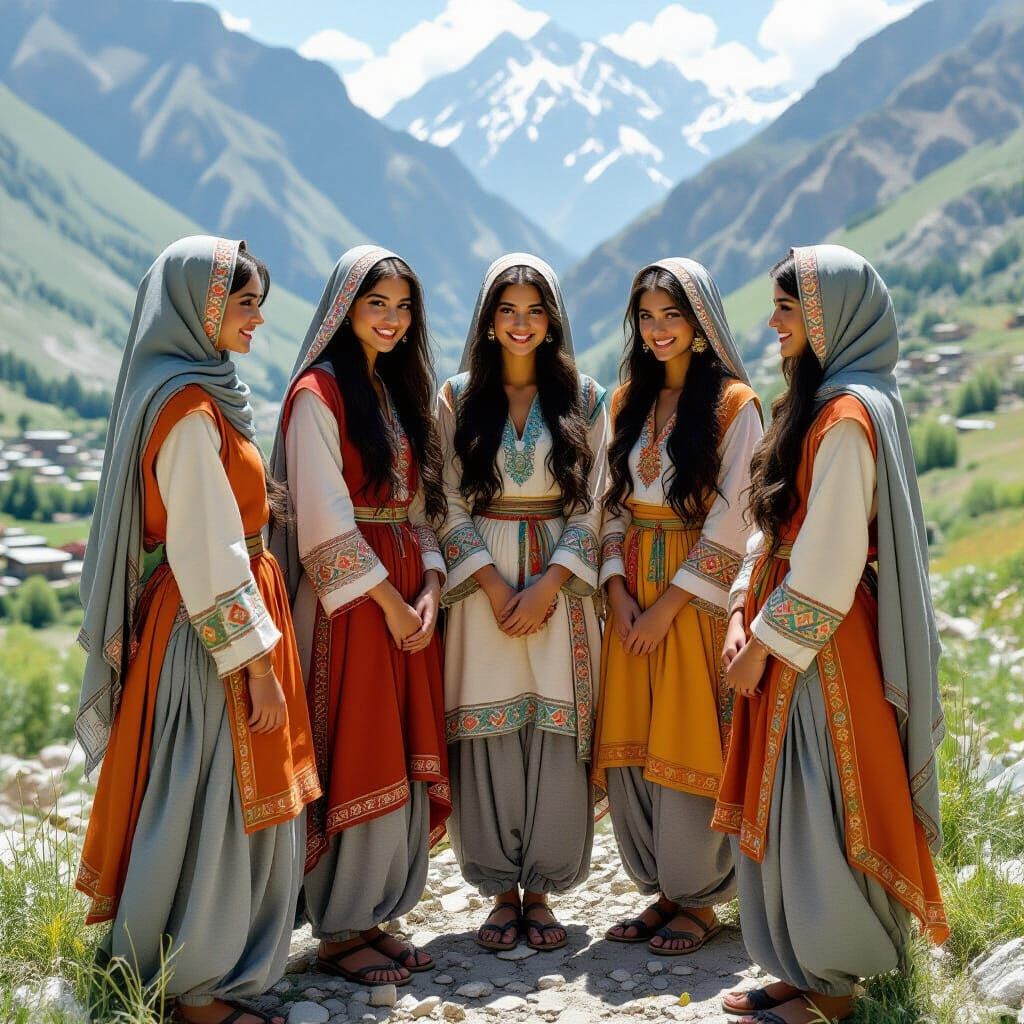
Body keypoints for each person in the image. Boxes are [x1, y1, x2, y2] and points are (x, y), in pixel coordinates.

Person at [76, 236, 319, 1024]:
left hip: (225, 620)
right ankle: (195, 991)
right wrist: (252, 666)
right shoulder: (185, 408)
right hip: (211, 636)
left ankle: (205, 971)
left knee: (216, 793)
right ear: (198, 305)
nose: (256, 318)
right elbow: (210, 548)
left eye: (259, 304)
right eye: (242, 302)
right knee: (215, 795)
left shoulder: (200, 391)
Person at [715, 246, 948, 1023]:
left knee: (818, 800)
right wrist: (741, 610)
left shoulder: (848, 416)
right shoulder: (815, 402)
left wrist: (765, 647)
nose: (775, 322)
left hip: (823, 646)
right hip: (785, 625)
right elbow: (772, 525)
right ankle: (797, 964)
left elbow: (831, 557)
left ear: (830, 318)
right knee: (784, 802)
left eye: (790, 308)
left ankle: (833, 987)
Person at [269, 246, 449, 987]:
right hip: (351, 606)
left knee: (399, 748)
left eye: (404, 306)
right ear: (346, 307)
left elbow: (418, 509)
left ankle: (375, 912)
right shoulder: (318, 393)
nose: (392, 319)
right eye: (377, 303)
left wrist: (431, 587)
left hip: (404, 597)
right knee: (356, 746)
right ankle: (341, 927)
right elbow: (323, 522)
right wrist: (390, 601)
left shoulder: (393, 392)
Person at [436, 253, 607, 952]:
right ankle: (499, 892)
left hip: (559, 594)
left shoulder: (587, 398)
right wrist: (492, 580)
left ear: (554, 320)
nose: (521, 324)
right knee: (488, 728)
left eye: (535, 311)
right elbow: (442, 499)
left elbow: (597, 503)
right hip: (482, 592)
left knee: (555, 728)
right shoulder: (454, 396)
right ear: (487, 318)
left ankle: (542, 892)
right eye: (507, 310)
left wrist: (549, 583)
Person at [594, 259, 761, 956]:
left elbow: (737, 519)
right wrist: (615, 589)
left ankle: (699, 899)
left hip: (693, 599)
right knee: (635, 738)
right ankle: (663, 888)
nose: (658, 330)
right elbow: (603, 501)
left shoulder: (735, 406)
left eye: (673, 316)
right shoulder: (625, 398)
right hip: (631, 588)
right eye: (647, 316)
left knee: (690, 738)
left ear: (700, 325)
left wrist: (668, 607)